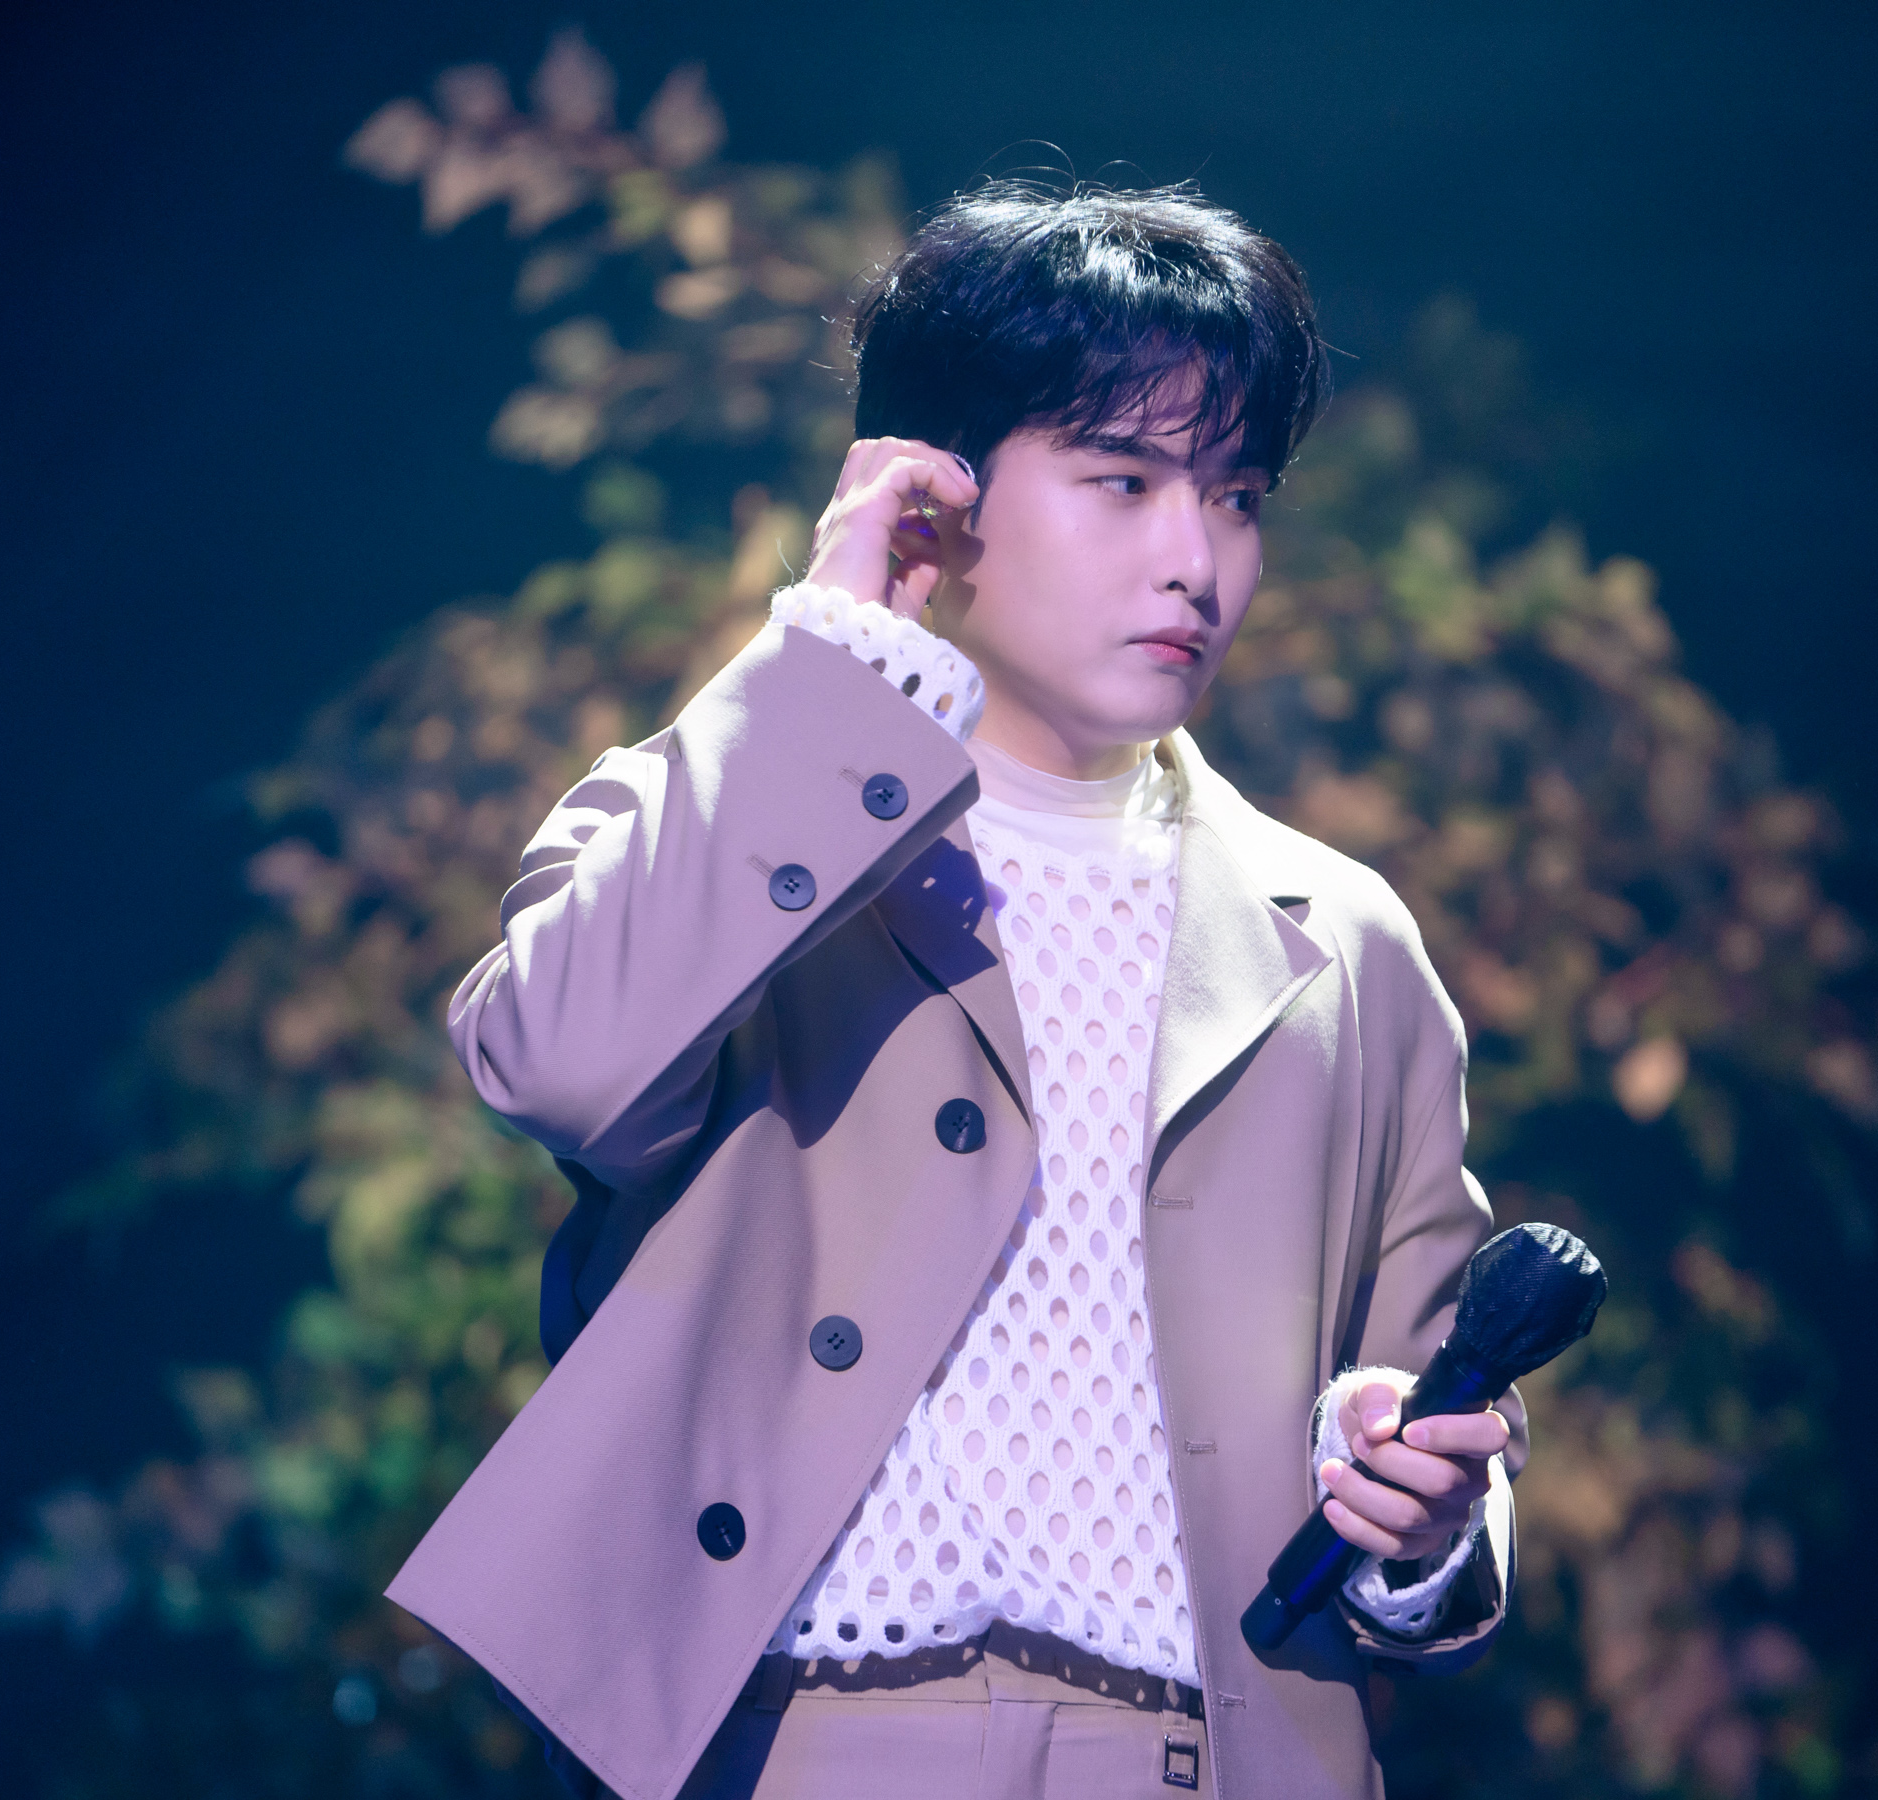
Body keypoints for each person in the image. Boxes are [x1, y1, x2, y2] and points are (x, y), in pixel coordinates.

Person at [388, 183, 1530, 1800]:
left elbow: (1434, 1410)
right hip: (804, 1742)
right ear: (935, 487)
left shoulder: (1346, 945)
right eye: (1123, 480)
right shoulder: (746, 819)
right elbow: (555, 1067)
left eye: (1236, 496)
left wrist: (1426, 1525)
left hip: (1200, 1757)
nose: (1195, 559)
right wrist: (831, 656)